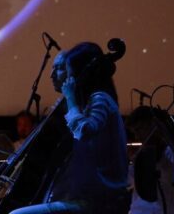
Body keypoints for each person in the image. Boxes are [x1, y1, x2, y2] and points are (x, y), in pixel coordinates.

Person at [10, 42, 129, 214]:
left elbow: (83, 131)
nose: (69, 78)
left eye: (70, 70)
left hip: (97, 200)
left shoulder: (101, 99)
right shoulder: (91, 102)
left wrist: (71, 99)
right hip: (85, 196)